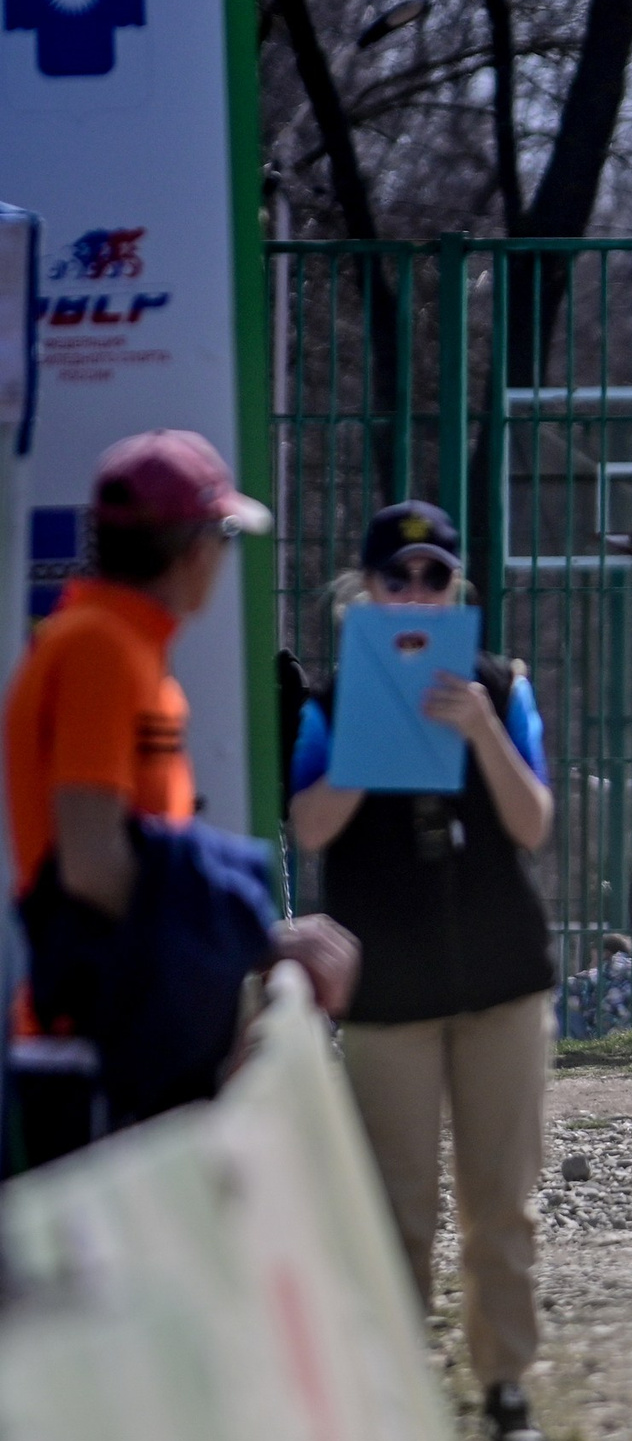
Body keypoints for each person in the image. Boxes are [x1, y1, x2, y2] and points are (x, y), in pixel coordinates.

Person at [288, 499, 558, 1441]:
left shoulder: (501, 684)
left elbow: (533, 822)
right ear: (362, 591)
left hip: (502, 977)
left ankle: (505, 1387)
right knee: (397, 1204)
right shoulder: (325, 698)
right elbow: (310, 826)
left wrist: (482, 727)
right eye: (394, 578)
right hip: (387, 985)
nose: (413, 592)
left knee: (501, 1201)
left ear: (459, 590)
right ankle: (396, 1393)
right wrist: (368, 736)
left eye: (433, 577)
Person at [7, 432, 355, 1172]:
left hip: (118, 1030)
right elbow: (93, 862)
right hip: (91, 1048)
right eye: (226, 539)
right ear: (197, 547)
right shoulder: (100, 649)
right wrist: (253, 933)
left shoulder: (121, 647)